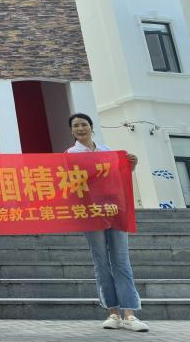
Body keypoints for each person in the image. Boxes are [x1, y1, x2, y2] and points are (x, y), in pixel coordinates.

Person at [66, 113, 148, 332]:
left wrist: (130, 166)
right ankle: (112, 313)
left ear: (92, 127)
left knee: (122, 261)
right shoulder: (70, 154)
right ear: (72, 131)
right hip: (91, 213)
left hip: (115, 210)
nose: (80, 128)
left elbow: (118, 177)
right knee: (101, 262)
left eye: (84, 124)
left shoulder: (107, 151)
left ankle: (130, 314)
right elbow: (69, 184)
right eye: (76, 126)